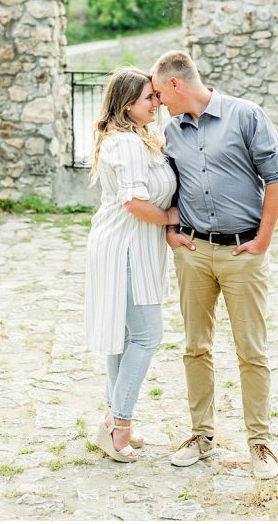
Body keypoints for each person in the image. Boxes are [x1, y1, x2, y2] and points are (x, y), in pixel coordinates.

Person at [150, 50, 278, 480]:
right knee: (195, 346)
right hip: (193, 254)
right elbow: (171, 185)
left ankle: (260, 443)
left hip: (242, 253)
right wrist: (173, 232)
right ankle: (201, 434)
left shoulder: (246, 116)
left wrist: (263, 240)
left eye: (158, 92)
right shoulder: (171, 133)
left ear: (175, 84)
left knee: (252, 349)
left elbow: (276, 178)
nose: (157, 103)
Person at [85, 68, 179, 463]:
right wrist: (172, 220)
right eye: (149, 99)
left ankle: (112, 415)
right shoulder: (124, 144)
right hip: (123, 248)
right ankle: (119, 426)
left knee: (125, 337)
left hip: (133, 246)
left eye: (156, 97)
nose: (157, 103)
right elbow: (134, 203)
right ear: (127, 105)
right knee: (145, 336)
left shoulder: (139, 138)